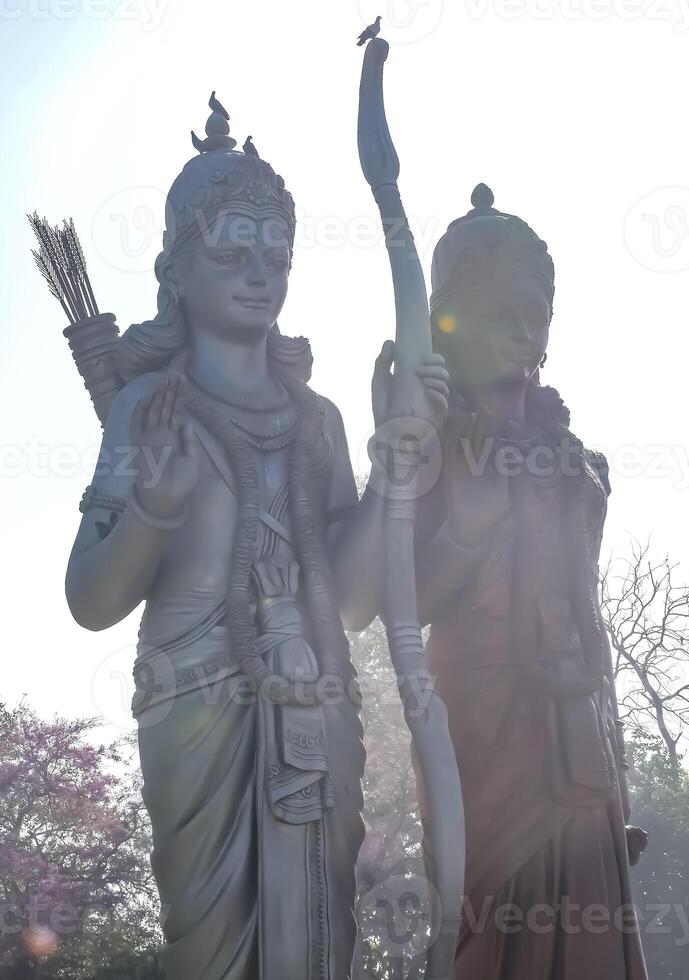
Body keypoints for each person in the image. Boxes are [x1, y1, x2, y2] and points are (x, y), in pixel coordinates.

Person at [64, 97, 448, 980]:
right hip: (196, 707)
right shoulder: (145, 407)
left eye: (276, 253)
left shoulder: (318, 422)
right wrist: (153, 509)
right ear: (177, 270)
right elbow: (89, 600)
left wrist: (395, 467)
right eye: (232, 252)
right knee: (212, 954)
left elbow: (351, 604)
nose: (260, 273)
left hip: (320, 709)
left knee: (321, 944)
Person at [413, 184, 650, 979]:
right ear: (447, 321)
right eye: (497, 311)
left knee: (588, 914)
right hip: (482, 716)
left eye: (535, 312)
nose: (521, 330)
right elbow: (395, 599)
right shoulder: (428, 444)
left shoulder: (575, 457)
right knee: (492, 917)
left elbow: (587, 611)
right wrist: (467, 525)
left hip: (578, 724)